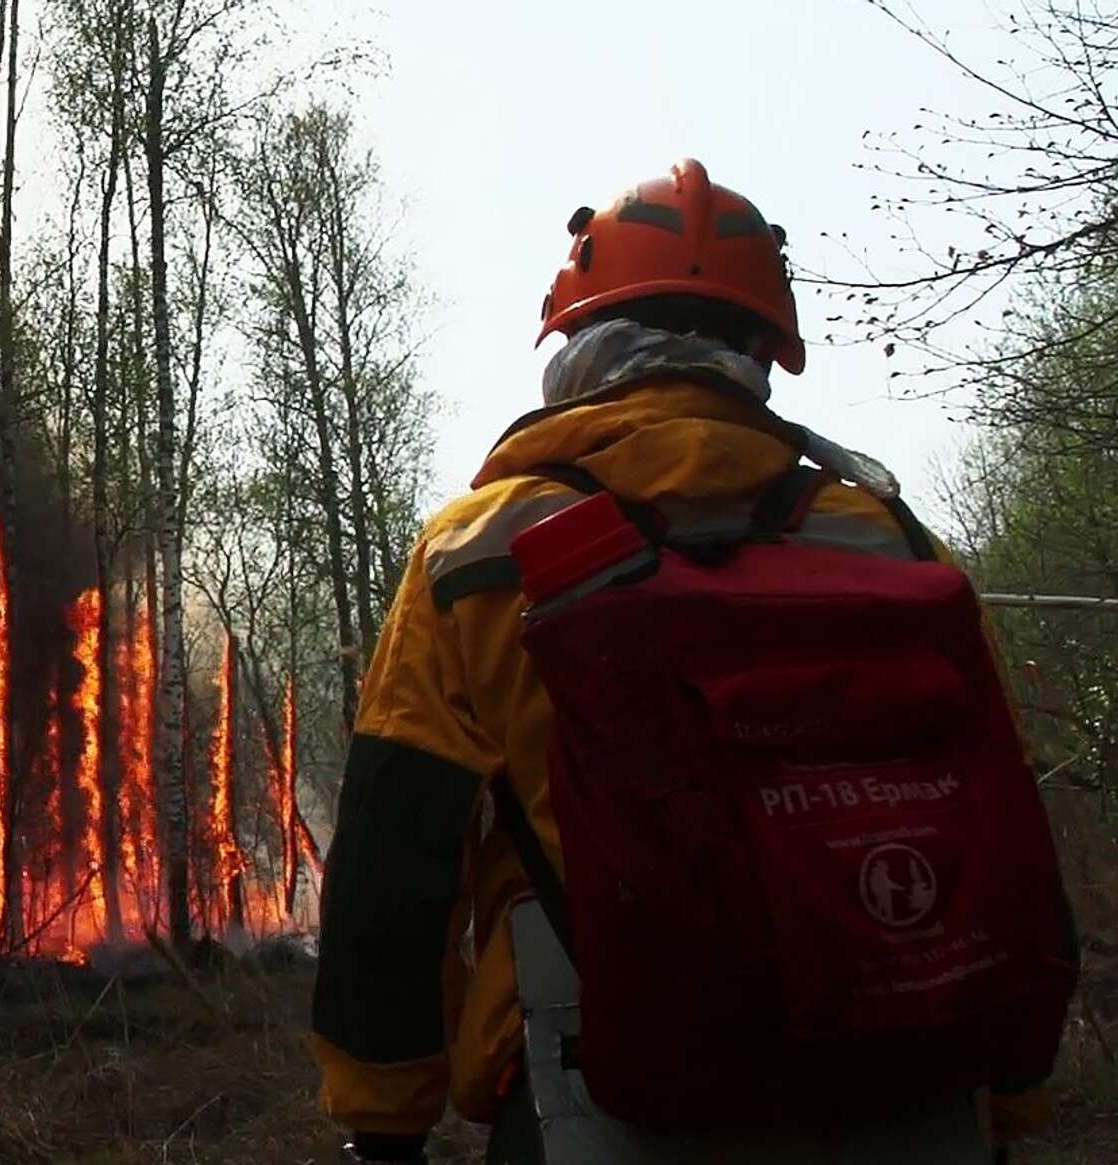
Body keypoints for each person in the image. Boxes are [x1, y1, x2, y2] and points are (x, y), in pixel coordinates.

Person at [310, 158, 1066, 1163]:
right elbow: (998, 831)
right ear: (759, 349)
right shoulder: (888, 542)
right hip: (911, 1086)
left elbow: (391, 863)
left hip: (595, 1101)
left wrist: (383, 1120)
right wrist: (1005, 1103)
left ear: (576, 343)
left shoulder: (480, 549)